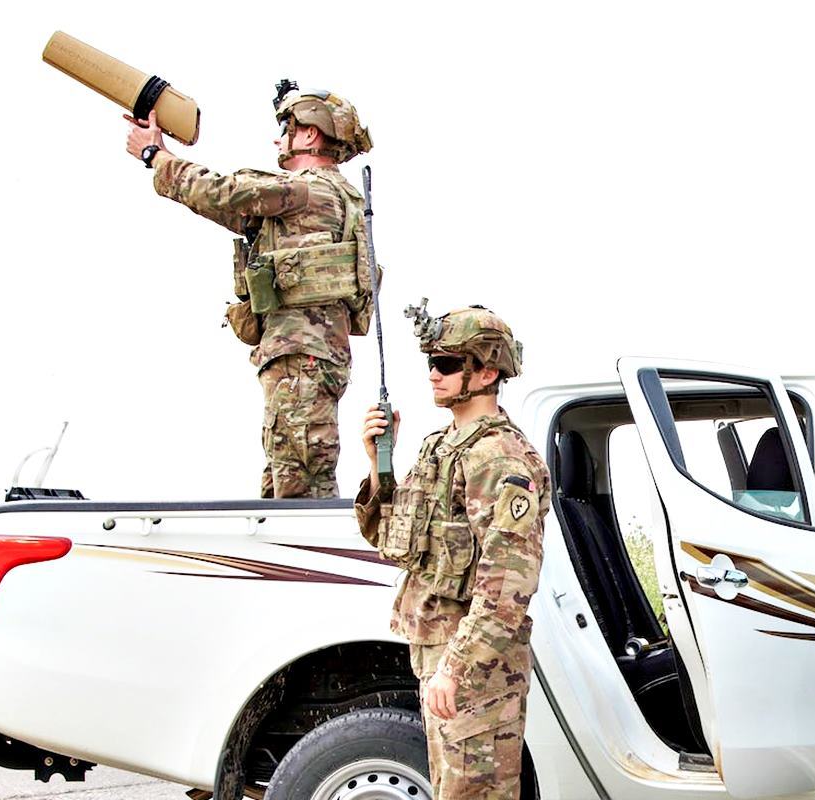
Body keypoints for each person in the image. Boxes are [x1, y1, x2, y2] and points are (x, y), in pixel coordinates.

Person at [124, 84, 373, 498]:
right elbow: (228, 207)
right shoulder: (330, 198)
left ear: (310, 134)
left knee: (301, 490)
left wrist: (157, 156)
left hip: (301, 359)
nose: (278, 139)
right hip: (302, 358)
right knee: (284, 482)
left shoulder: (308, 190)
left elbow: (225, 190)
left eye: (287, 127)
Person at [355, 304, 550, 798]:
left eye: (446, 364)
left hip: (475, 665)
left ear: (486, 372)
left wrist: (457, 666)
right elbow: (394, 539)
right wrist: (379, 463)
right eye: (431, 364)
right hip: (439, 652)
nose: (434, 376)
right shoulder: (441, 446)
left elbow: (508, 584)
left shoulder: (500, 457)